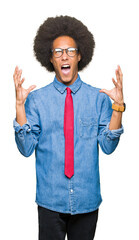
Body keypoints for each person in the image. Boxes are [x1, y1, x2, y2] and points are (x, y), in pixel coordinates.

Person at [13, 15, 125, 240]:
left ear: (80, 55)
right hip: (50, 200)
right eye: (58, 52)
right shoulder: (36, 101)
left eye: (71, 50)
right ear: (51, 59)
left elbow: (108, 146)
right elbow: (26, 149)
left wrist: (118, 107)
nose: (64, 56)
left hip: (87, 200)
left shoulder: (99, 98)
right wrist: (19, 106)